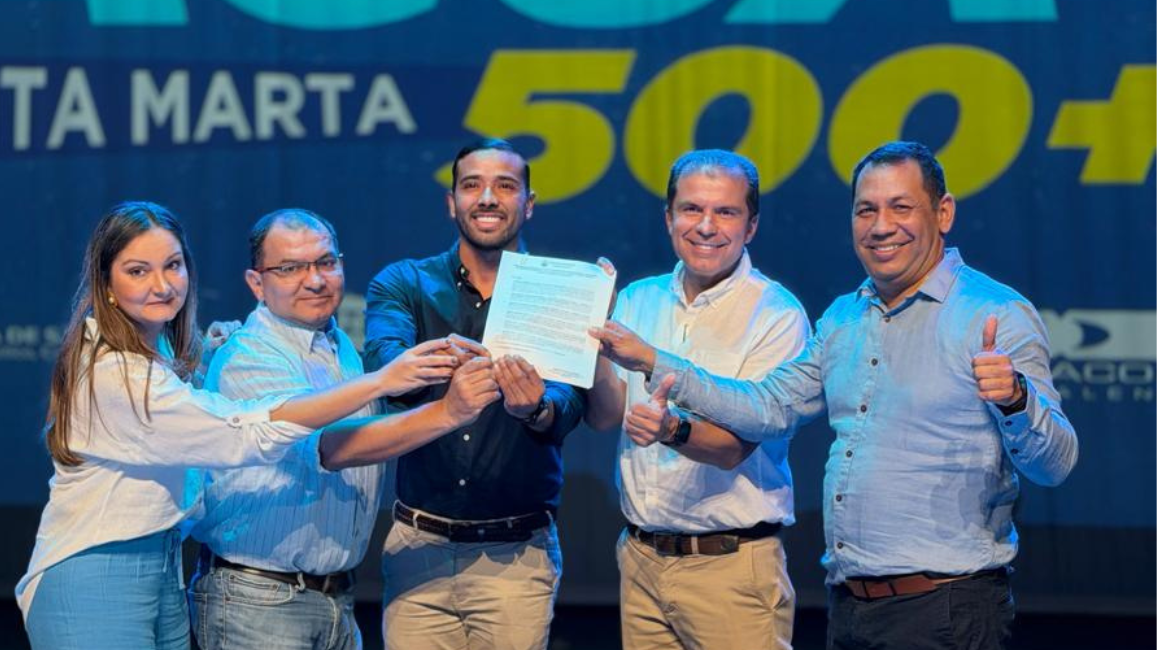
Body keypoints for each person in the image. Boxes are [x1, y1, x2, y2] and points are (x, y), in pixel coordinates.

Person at [620, 141, 1078, 650]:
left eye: (900, 207)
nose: (881, 226)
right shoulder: (843, 317)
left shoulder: (995, 314)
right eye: (866, 210)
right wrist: (656, 362)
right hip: (852, 605)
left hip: (948, 606)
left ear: (943, 213)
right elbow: (768, 407)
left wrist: (1015, 399)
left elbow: (1054, 465)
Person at [18, 201, 459, 650]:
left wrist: (202, 361)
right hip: (98, 564)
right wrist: (396, 388)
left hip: (164, 564)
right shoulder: (115, 371)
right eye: (137, 271)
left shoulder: (162, 353)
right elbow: (242, 432)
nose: (162, 285)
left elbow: (181, 420)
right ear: (106, 283)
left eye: (173, 265)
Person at [188, 209, 501, 649]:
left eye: (325, 262)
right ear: (257, 283)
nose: (315, 280)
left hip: (333, 598)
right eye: (290, 268)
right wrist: (448, 412)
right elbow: (331, 448)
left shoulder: (339, 347)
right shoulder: (250, 355)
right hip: (259, 601)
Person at [363, 138, 587, 650]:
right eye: (472, 185)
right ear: (452, 202)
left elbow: (570, 403)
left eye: (505, 186)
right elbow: (385, 366)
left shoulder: (563, 291)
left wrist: (534, 408)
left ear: (529, 203)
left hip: (517, 556)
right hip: (417, 550)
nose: (487, 198)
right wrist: (451, 368)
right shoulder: (404, 282)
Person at [584, 150, 809, 650]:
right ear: (669, 218)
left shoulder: (777, 314)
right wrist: (593, 345)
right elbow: (605, 415)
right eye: (691, 209)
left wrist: (671, 429)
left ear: (751, 226)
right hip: (641, 559)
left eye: (725, 212)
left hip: (730, 569)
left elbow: (734, 448)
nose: (706, 226)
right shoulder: (638, 299)